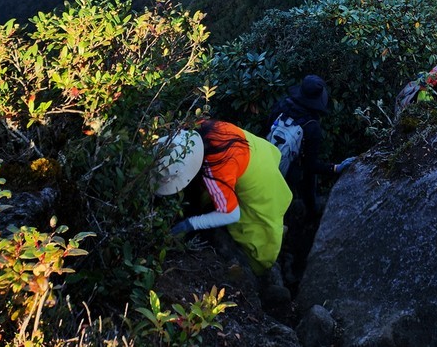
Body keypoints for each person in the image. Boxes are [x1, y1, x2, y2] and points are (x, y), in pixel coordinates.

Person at [152, 119, 292, 275]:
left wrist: (190, 224)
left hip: (259, 179)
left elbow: (231, 214)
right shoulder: (196, 127)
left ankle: (263, 271)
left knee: (260, 232)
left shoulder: (216, 168)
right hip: (254, 149)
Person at [268, 75, 355, 219]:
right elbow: (310, 166)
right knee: (307, 180)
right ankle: (310, 213)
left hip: (269, 159)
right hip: (292, 171)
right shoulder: (312, 126)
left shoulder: (282, 106)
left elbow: (268, 130)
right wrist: (335, 168)